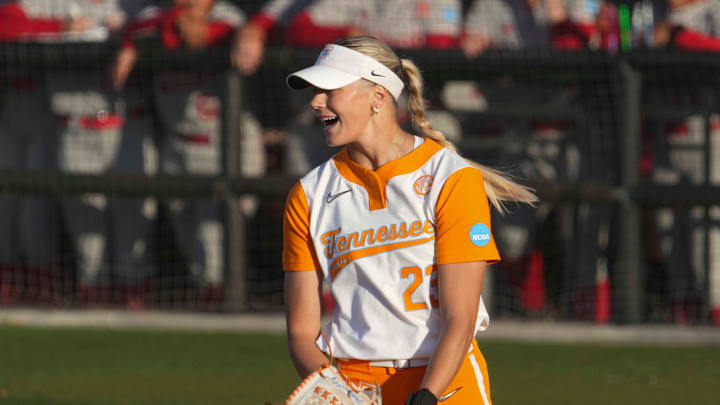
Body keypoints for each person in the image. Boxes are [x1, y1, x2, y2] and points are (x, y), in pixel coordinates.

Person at [282, 36, 536, 404]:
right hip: (352, 384)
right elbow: (301, 333)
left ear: (377, 97)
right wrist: (335, 393)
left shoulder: (450, 177)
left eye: (330, 89)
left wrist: (428, 397)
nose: (316, 102)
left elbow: (459, 319)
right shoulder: (307, 195)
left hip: (445, 378)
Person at [113, 0, 246, 303]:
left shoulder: (227, 14)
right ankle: (207, 296)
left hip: (223, 144)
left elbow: (205, 35)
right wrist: (139, 40)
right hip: (175, 143)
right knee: (186, 231)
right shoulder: (152, 15)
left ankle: (223, 299)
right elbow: (134, 28)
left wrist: (177, 26)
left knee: (212, 236)